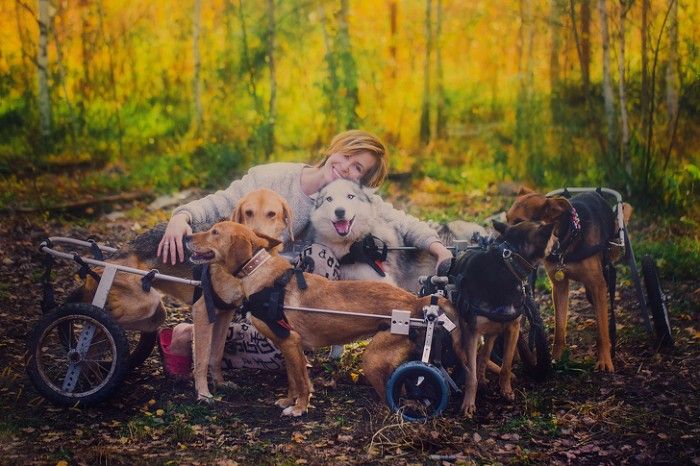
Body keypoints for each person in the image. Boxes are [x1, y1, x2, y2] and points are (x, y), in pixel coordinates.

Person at [159, 129, 453, 365]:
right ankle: (199, 335)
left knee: (318, 259)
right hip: (243, 283)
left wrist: (437, 247)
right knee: (202, 341)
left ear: (360, 181)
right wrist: (182, 215)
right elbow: (220, 202)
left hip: (287, 299)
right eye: (346, 156)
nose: (345, 168)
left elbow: (400, 220)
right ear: (334, 149)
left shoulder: (346, 198)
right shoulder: (271, 178)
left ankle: (287, 338)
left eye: (357, 168)